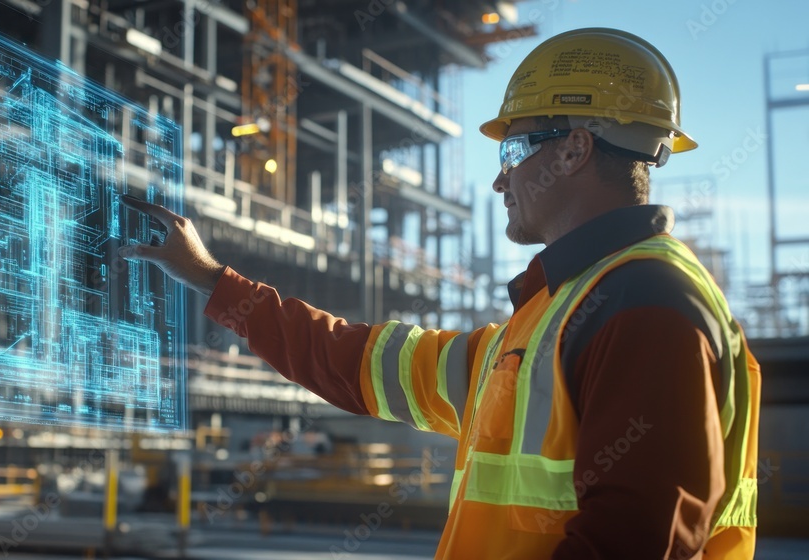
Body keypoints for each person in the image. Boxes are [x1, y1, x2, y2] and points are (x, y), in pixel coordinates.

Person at [118, 28, 760, 560]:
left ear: (573, 150)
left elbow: (637, 540)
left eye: (513, 147)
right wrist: (212, 279)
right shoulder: (550, 319)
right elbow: (357, 362)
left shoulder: (646, 304)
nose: (499, 178)